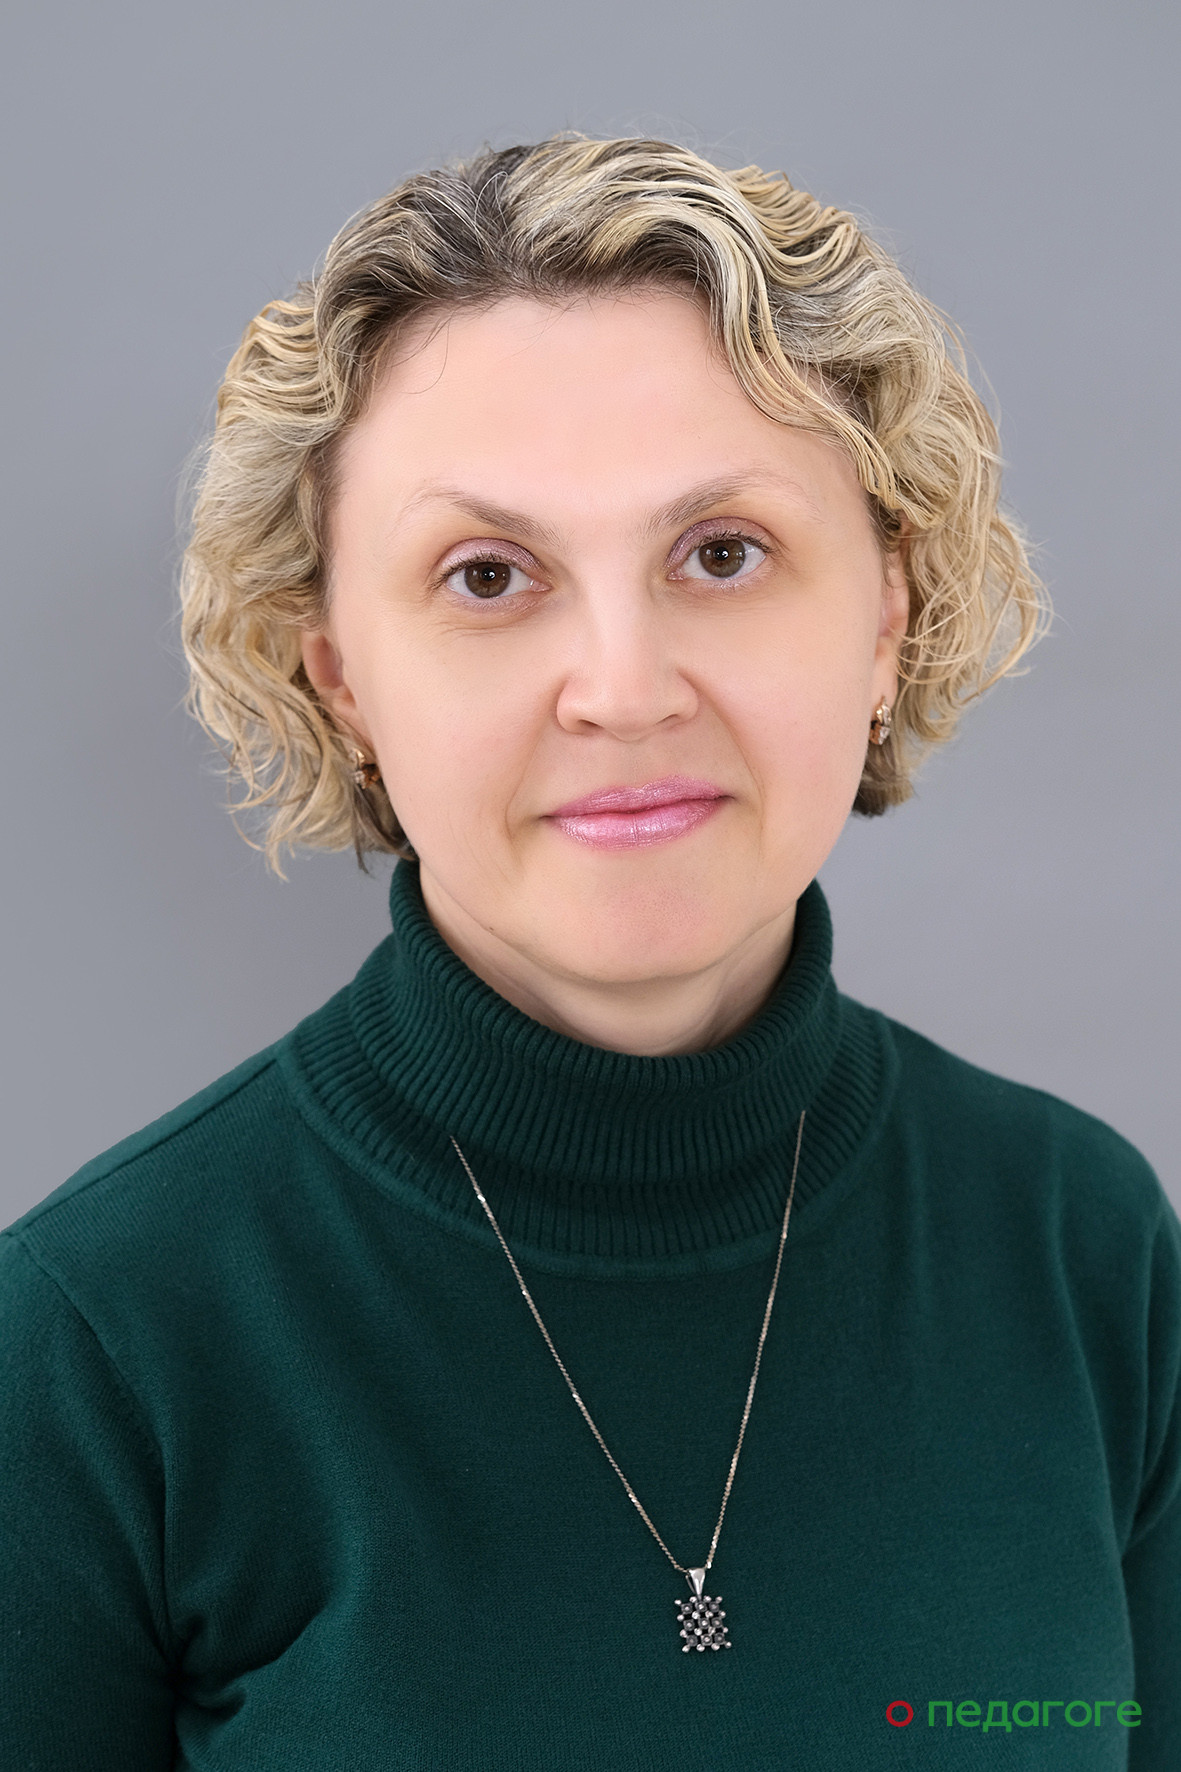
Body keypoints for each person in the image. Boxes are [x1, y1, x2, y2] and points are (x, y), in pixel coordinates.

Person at [1, 134, 1177, 1769]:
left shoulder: (1082, 1251)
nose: (622, 690)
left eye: (722, 553)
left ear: (885, 616)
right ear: (341, 678)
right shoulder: (94, 1342)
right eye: (487, 577)